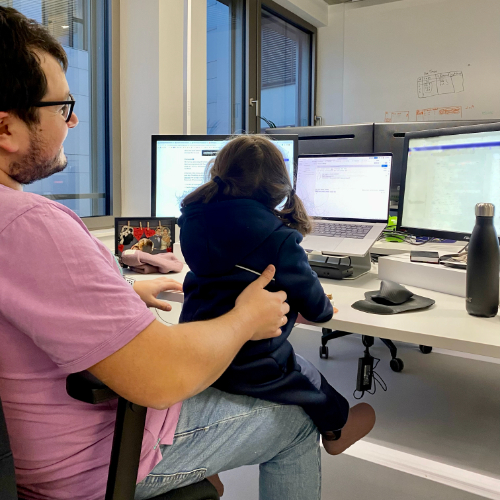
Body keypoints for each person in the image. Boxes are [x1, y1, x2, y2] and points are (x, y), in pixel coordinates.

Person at [0, 7, 322, 500]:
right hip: (93, 461)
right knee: (298, 420)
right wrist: (246, 318)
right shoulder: (29, 222)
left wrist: (125, 289)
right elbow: (162, 379)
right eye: (62, 107)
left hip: (25, 455)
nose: (75, 119)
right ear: (6, 129)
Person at [178, 135, 376, 454]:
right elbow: (317, 309)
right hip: (250, 363)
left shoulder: (191, 221)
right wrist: (324, 306)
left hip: (201, 348)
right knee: (307, 374)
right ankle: (337, 427)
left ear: (219, 172)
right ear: (279, 186)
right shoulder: (279, 238)